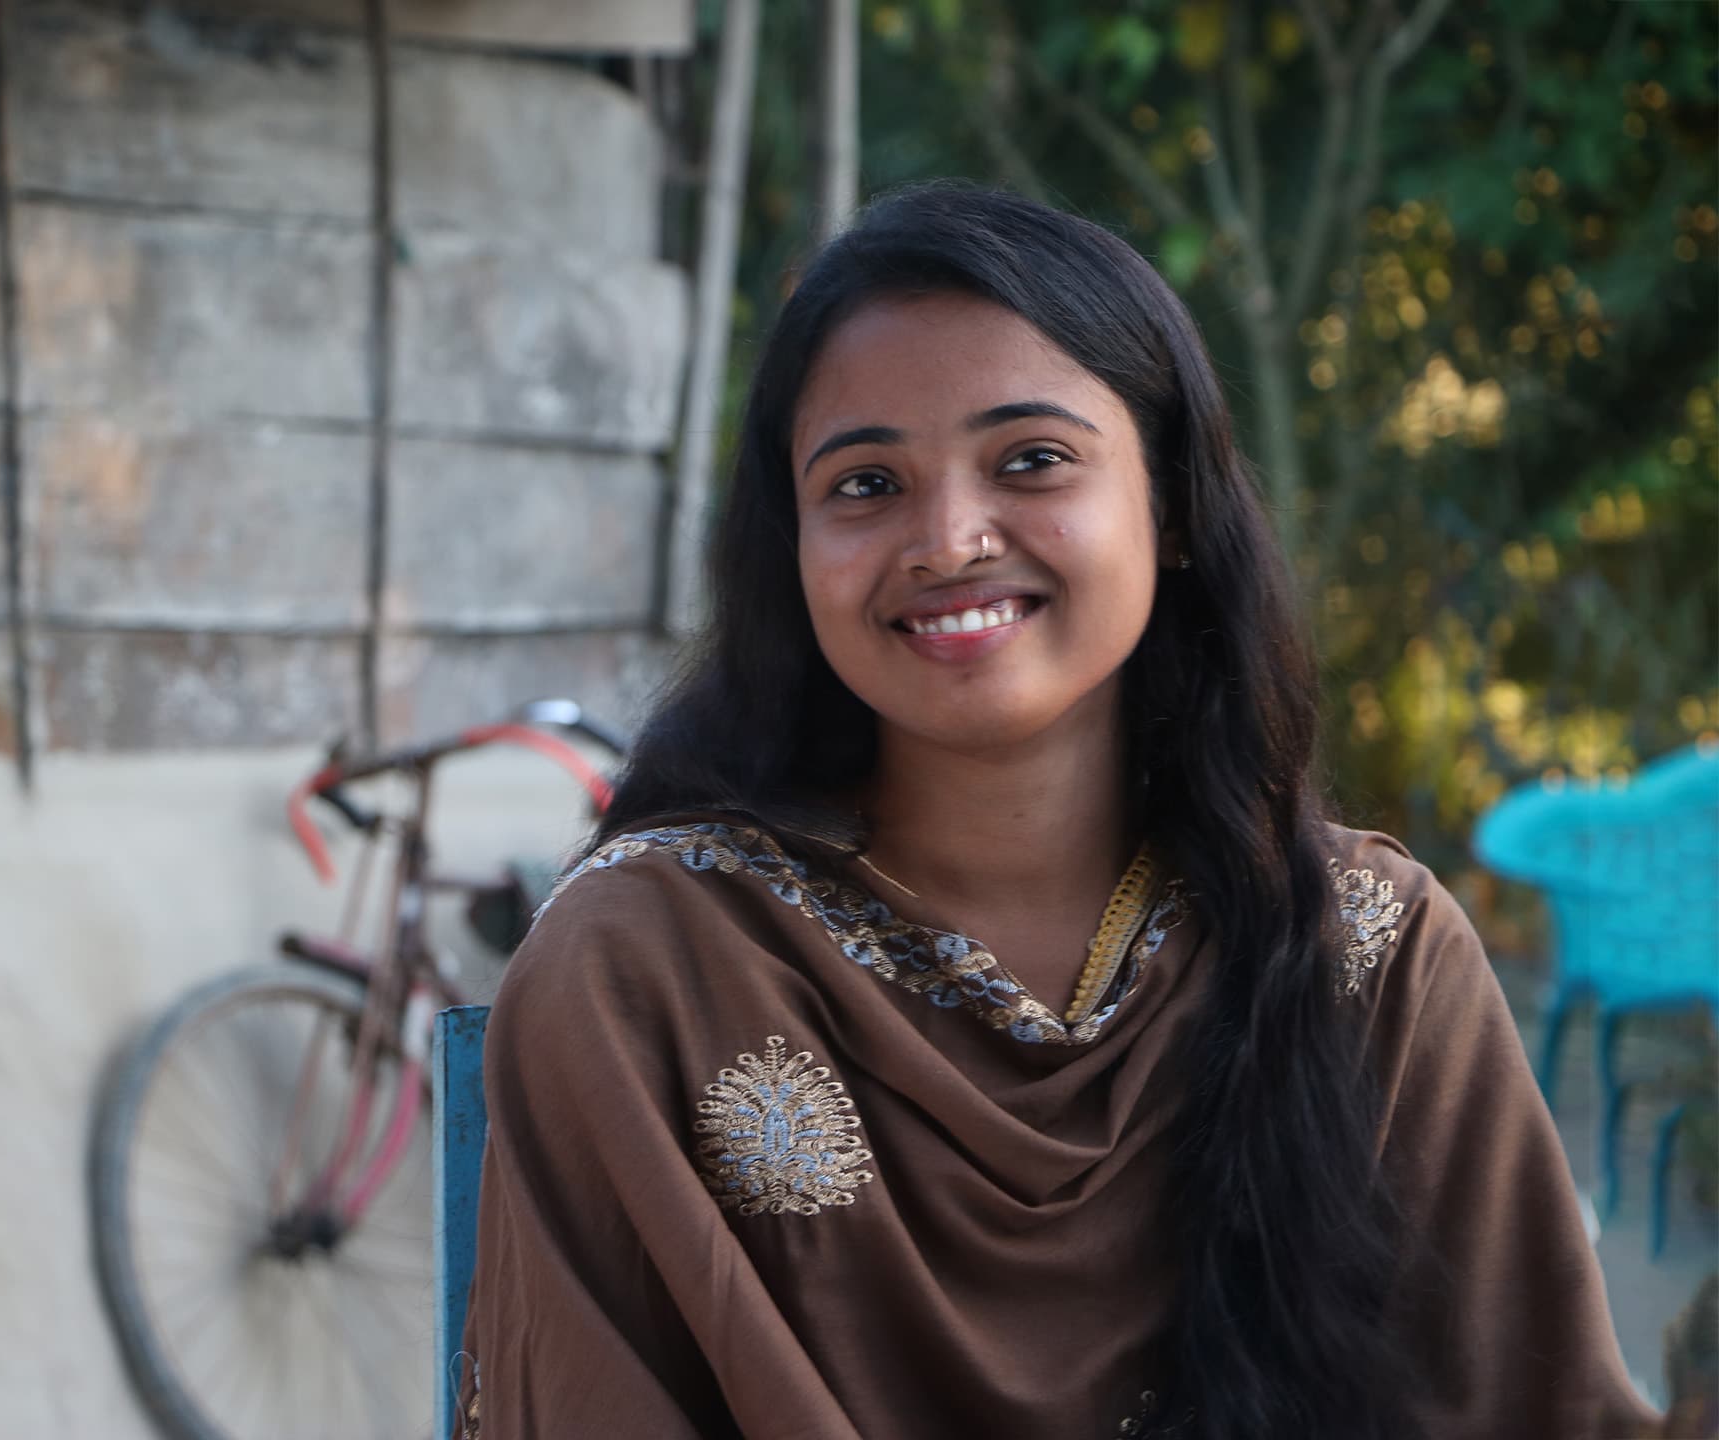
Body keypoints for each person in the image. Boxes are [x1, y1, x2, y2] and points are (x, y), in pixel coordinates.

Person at [451, 184, 1664, 1440]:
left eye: (1030, 460)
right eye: (866, 484)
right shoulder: (649, 968)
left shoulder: (1366, 950)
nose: (947, 540)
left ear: (1173, 504)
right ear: (792, 550)